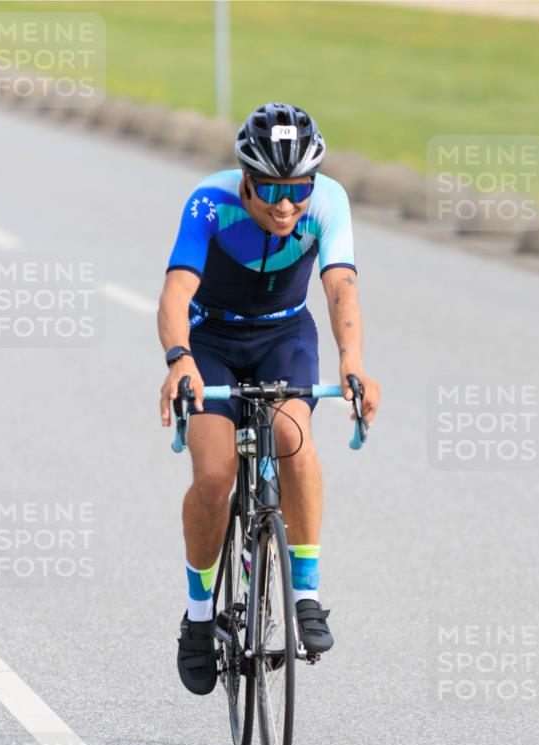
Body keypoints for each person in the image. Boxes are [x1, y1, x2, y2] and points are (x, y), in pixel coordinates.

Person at [158, 102, 380, 696]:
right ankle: (199, 617)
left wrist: (352, 364)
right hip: (213, 338)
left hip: (285, 334)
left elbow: (341, 287)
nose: (287, 206)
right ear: (247, 181)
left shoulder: (328, 202)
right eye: (273, 191)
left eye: (298, 191)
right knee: (213, 473)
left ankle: (304, 591)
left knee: (291, 436)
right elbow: (177, 290)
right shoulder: (210, 202)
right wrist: (179, 360)